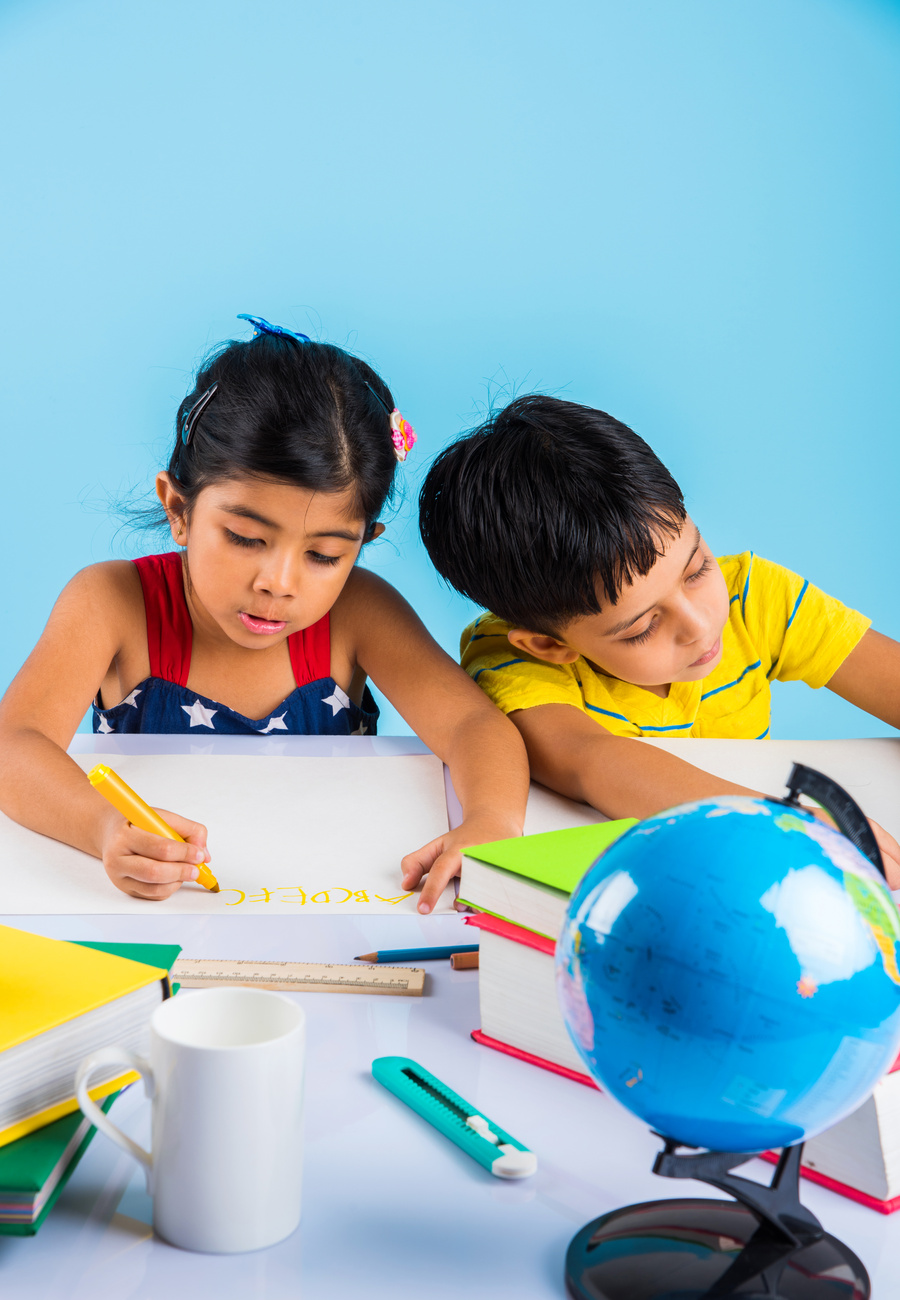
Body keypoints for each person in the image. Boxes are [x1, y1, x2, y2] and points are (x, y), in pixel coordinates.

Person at [0, 317, 528, 907]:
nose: (278, 584)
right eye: (246, 538)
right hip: (158, 915)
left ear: (363, 542)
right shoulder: (112, 604)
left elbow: (475, 726)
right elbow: (14, 746)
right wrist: (103, 827)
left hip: (320, 903)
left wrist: (493, 821)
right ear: (178, 509)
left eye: (324, 555)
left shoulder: (360, 612)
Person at [419, 394, 900, 882]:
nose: (700, 625)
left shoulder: (757, 599)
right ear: (550, 645)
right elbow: (591, 758)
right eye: (643, 627)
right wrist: (767, 822)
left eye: (697, 569)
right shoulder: (509, 657)